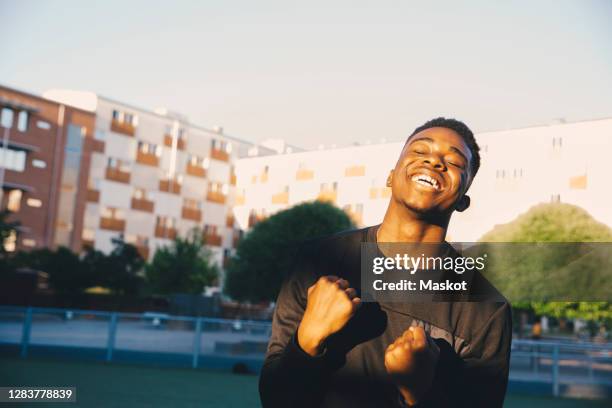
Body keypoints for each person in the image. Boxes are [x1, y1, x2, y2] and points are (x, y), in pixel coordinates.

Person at [259, 118, 512, 407]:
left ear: (463, 200)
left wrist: (419, 392)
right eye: (419, 151)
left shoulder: (486, 309)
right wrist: (308, 339)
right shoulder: (316, 260)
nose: (434, 161)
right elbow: (274, 398)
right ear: (391, 176)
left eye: (453, 161)